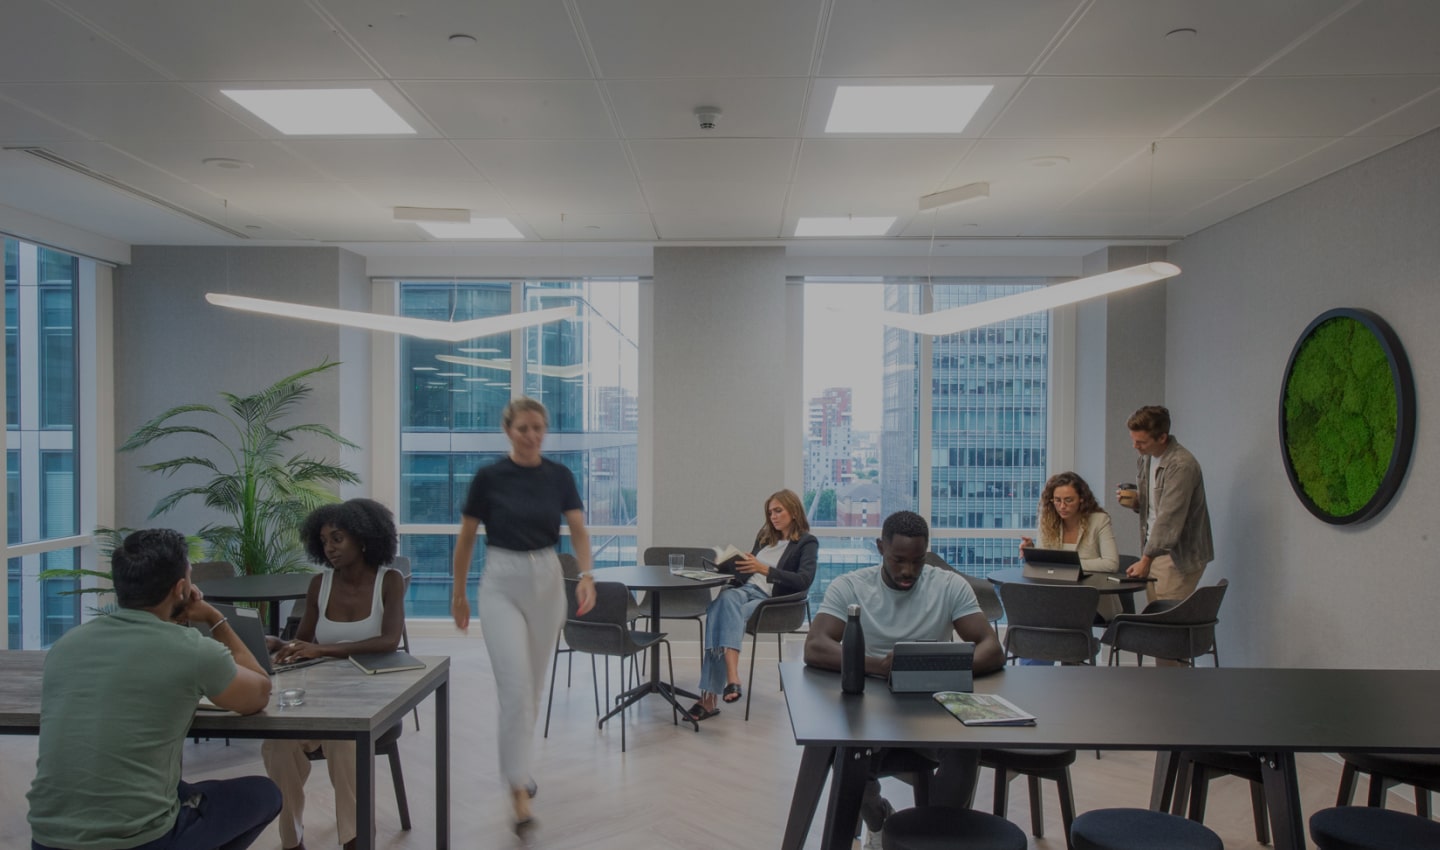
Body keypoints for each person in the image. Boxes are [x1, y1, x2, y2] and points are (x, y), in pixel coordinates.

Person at [28, 528, 280, 850]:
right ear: (181, 589)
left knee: (176, 788)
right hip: (139, 841)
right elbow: (259, 693)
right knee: (264, 794)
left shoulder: (66, 645)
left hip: (48, 839)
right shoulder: (191, 651)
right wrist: (215, 618)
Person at [804, 511, 1004, 847]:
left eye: (917, 561)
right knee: (847, 752)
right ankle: (880, 819)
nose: (908, 570)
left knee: (966, 747)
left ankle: (934, 837)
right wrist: (878, 666)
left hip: (932, 708)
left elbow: (991, 649)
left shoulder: (948, 585)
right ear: (880, 547)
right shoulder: (851, 586)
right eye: (898, 560)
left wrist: (932, 667)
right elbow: (815, 646)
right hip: (870, 706)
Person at [451, 397, 597, 832]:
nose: (532, 435)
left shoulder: (560, 476)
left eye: (538, 428)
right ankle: (517, 788)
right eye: (523, 428)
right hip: (501, 581)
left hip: (547, 580)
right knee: (515, 688)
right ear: (508, 430)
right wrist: (458, 593)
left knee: (531, 690)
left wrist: (586, 575)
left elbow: (578, 529)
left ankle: (519, 766)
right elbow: (465, 539)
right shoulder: (488, 477)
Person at [261, 497, 406, 850]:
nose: (329, 549)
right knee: (276, 745)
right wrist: (281, 646)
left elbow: (389, 641)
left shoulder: (390, 581)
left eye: (337, 539)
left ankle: (355, 841)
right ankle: (291, 840)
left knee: (346, 740)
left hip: (370, 701)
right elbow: (304, 642)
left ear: (363, 538)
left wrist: (325, 649)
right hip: (320, 698)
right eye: (324, 541)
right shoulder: (319, 586)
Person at [688, 488, 818, 720]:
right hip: (745, 590)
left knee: (719, 610)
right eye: (770, 513)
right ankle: (732, 679)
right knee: (725, 600)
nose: (773, 517)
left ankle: (708, 698)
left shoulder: (807, 543)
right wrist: (732, 567)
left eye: (778, 511)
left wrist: (764, 569)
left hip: (771, 601)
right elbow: (748, 574)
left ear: (794, 511)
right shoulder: (765, 536)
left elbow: (804, 580)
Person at [1117, 405, 1214, 609]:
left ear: (1162, 438)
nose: (1135, 446)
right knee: (1156, 613)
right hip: (1155, 550)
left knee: (1165, 619)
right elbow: (1156, 505)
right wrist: (1137, 502)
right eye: (1133, 440)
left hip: (1177, 555)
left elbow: (1170, 517)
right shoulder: (1146, 458)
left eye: (1141, 441)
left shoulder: (1181, 465)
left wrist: (1146, 559)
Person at [1020, 470, 1121, 625]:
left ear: (1082, 499)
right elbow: (1045, 566)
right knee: (1031, 613)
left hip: (1093, 600)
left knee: (1059, 617)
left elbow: (1111, 563)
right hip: (1057, 597)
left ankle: (1074, 647)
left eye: (1068, 500)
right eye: (1057, 500)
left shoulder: (1099, 520)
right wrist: (1032, 551)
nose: (1062, 506)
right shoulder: (1048, 521)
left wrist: (1068, 565)